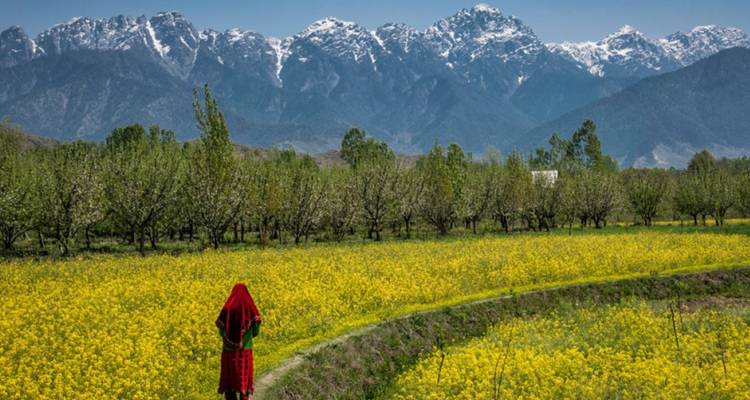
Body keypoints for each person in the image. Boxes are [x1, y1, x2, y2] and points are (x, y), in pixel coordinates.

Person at [216, 283, 262, 400]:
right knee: (244, 381)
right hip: (245, 351)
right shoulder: (250, 307)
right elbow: (256, 331)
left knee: (229, 382)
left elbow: (221, 330)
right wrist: (246, 337)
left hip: (228, 352)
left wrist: (229, 340)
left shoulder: (227, 308)